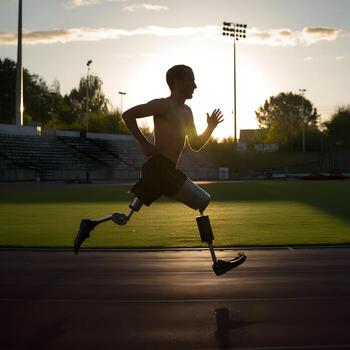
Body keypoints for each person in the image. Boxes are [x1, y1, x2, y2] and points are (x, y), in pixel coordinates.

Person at [74, 64, 246, 275]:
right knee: (202, 201)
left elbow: (195, 144)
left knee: (128, 216)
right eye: (191, 80)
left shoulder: (187, 112)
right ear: (177, 82)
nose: (195, 86)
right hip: (159, 169)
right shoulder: (163, 105)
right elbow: (128, 115)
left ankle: (90, 224)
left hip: (161, 171)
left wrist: (210, 127)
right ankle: (216, 263)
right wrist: (144, 143)